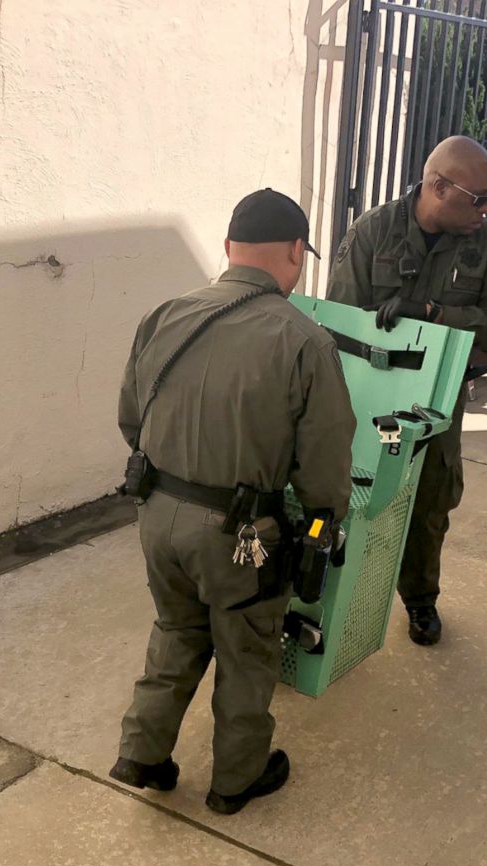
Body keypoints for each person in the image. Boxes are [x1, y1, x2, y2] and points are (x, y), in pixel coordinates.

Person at [110, 189, 356, 815]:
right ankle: (237, 778)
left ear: (227, 249)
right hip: (240, 533)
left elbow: (131, 420)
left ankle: (142, 752)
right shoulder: (304, 341)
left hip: (157, 516)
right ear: (297, 254)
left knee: (176, 629)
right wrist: (323, 527)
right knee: (247, 651)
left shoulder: (163, 315)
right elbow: (325, 467)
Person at [326, 136, 487, 647]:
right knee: (352, 498)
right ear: (438, 187)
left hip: (439, 397)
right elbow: (340, 326)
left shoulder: (486, 244)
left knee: (431, 501)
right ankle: (337, 597)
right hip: (368, 395)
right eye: (478, 198)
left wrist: (434, 316)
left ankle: (420, 599)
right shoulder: (375, 232)